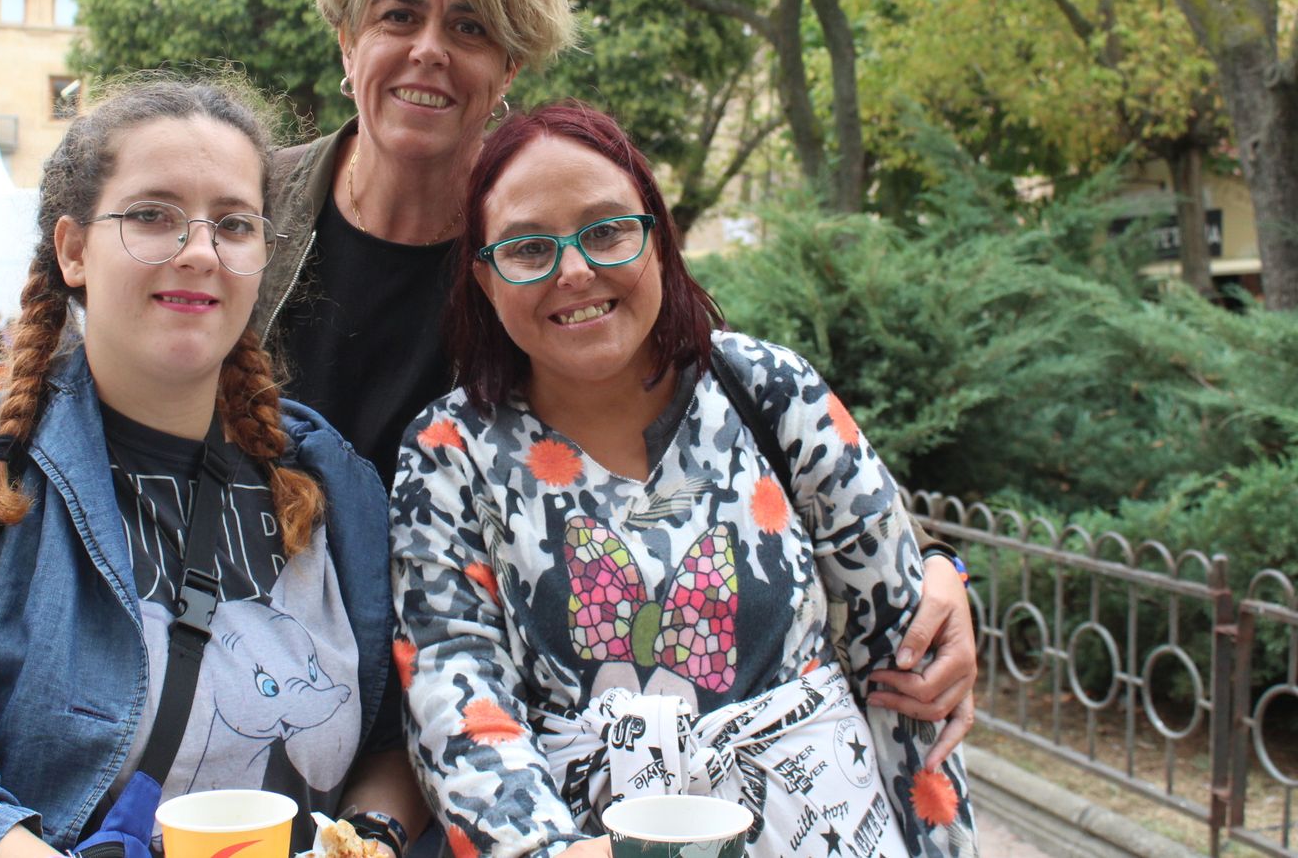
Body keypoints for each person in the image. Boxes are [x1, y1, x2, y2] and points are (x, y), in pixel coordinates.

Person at [255, 0, 976, 757]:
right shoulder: (249, 210)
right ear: (347, 38)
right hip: (254, 686)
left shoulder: (546, 248)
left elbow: (708, 398)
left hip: (457, 721)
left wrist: (934, 562)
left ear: (509, 69)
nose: (430, 50)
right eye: (399, 17)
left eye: (471, 27)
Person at [0, 78, 421, 858]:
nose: (199, 250)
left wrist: (370, 837)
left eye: (232, 224)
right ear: (72, 248)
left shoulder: (331, 476)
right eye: (152, 215)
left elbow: (397, 733)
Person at [390, 102, 979, 858]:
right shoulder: (449, 452)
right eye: (530, 247)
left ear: (658, 237)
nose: (575, 271)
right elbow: (456, 699)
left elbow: (906, 660)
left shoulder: (771, 391)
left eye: (606, 231)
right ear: (484, 276)